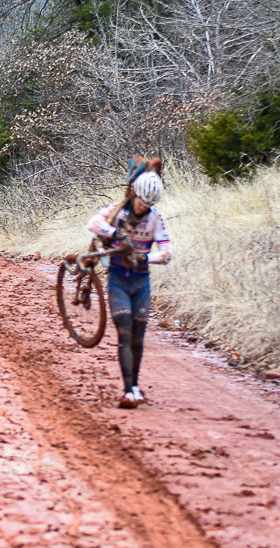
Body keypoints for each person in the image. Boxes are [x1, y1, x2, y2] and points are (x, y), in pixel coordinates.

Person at [86, 163, 170, 409]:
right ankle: (128, 390)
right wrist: (115, 234)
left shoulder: (156, 218)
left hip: (141, 280)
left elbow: (166, 253)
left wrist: (146, 257)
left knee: (138, 337)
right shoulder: (117, 211)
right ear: (135, 194)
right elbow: (93, 223)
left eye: (148, 204)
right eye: (141, 202)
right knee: (124, 331)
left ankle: (135, 386)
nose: (143, 208)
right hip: (118, 279)